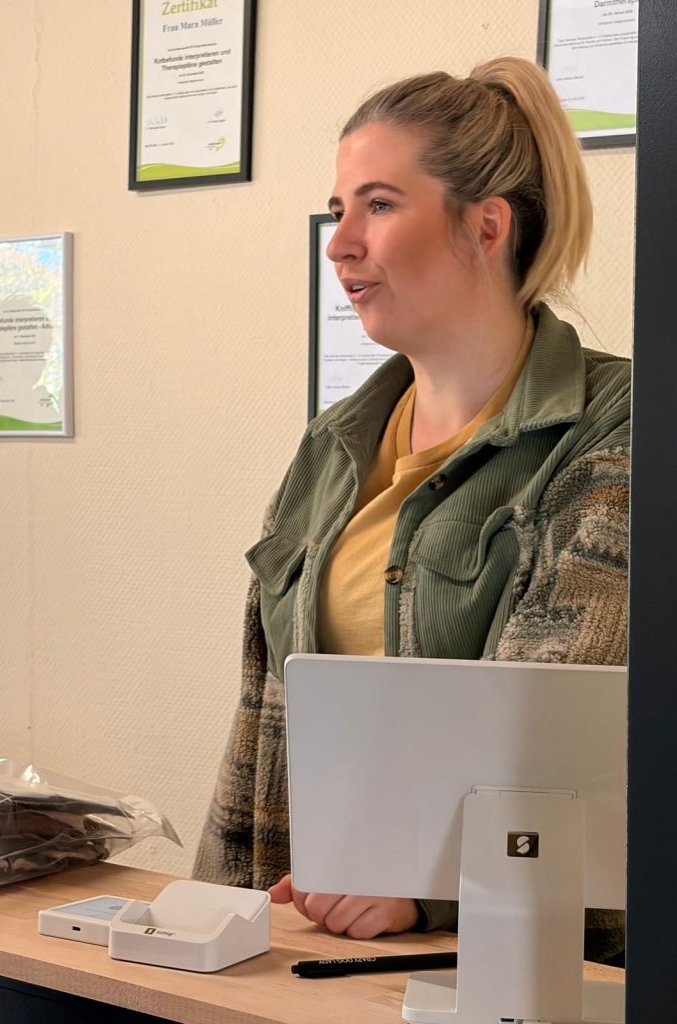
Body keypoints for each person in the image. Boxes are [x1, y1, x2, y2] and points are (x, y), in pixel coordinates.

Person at [193, 56, 629, 961]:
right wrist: (209, 929)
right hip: (315, 952)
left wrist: (426, 890)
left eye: (380, 205)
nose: (340, 243)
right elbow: (259, 720)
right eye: (339, 209)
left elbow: (554, 731)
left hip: (524, 973)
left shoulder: (616, 428)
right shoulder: (333, 446)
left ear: (486, 226)